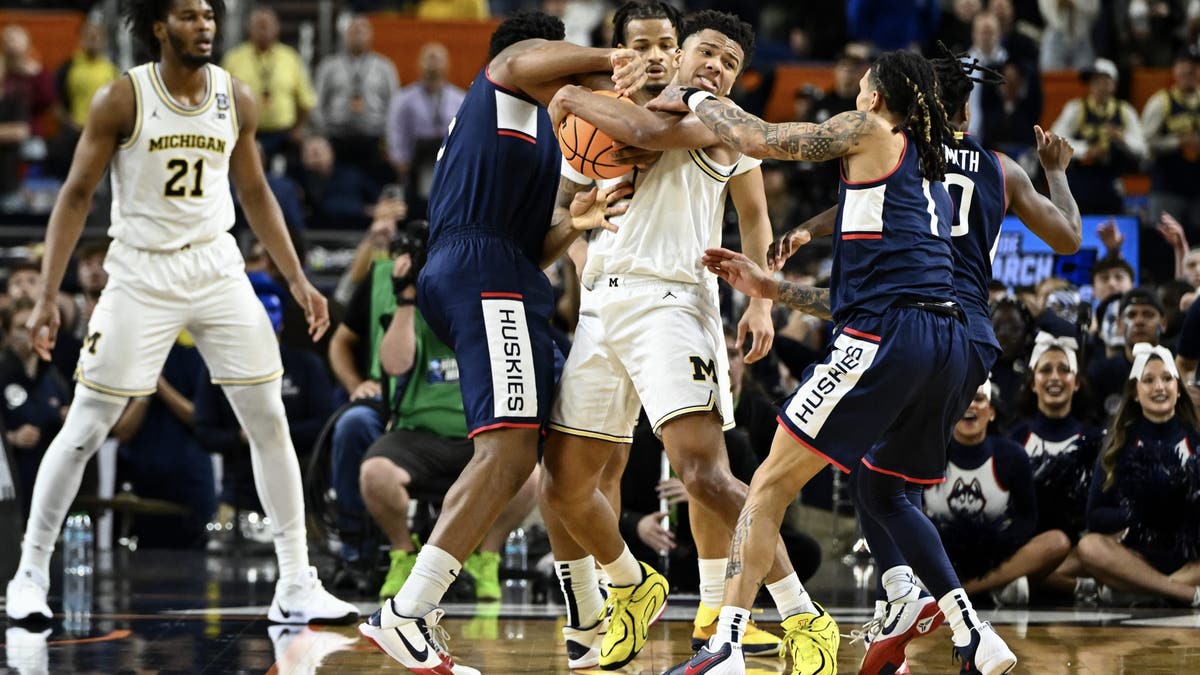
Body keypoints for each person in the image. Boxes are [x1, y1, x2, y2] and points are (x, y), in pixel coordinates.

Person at [653, 50, 1016, 675]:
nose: (855, 94)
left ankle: (727, 647)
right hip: (944, 338)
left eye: (863, 86)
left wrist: (690, 96)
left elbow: (754, 139)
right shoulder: (921, 168)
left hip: (891, 336)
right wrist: (772, 289)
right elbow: (856, 298)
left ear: (875, 97)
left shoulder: (871, 129)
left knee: (767, 486)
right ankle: (972, 633)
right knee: (883, 487)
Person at [3, 0, 356, 626]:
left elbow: (254, 193)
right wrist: (47, 297)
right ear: (160, 27)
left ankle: (297, 580)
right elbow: (76, 196)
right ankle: (29, 575)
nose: (206, 25)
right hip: (141, 270)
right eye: (190, 15)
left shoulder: (235, 98)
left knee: (268, 416)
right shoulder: (122, 98)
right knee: (86, 424)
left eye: (210, 15)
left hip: (217, 265)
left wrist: (299, 279)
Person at [759, 50, 1083, 673]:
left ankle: (909, 598)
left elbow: (864, 201)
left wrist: (807, 230)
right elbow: (1069, 236)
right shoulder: (1002, 168)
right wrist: (1056, 172)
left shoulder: (896, 149)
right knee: (877, 482)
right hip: (969, 336)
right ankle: (930, 613)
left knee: (861, 476)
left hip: (904, 319)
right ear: (968, 108)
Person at [356, 11, 646, 674]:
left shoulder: (549, 132)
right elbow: (524, 57)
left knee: (556, 454)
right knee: (509, 453)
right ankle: (406, 610)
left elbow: (535, 243)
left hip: (507, 271)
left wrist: (578, 222)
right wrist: (620, 57)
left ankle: (584, 622)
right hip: (481, 273)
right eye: (563, 66)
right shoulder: (506, 82)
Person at [540, 7, 789, 669]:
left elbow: (755, 216)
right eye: (704, 53)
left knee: (703, 469)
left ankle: (722, 608)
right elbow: (566, 213)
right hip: (605, 302)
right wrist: (578, 252)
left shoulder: (711, 120)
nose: (711, 66)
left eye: (728, 61)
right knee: (570, 478)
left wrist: (760, 305)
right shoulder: (598, 119)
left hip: (679, 297)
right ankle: (617, 595)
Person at [358, 252, 538, 602]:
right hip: (417, 435)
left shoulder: (486, 316)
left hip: (478, 438)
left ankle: (486, 557)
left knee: (530, 476)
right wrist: (407, 301)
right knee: (375, 473)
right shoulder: (417, 313)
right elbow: (394, 366)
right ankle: (403, 555)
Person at [924, 381, 1071, 605]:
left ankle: (962, 592)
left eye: (979, 399)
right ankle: (998, 587)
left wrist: (995, 548)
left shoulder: (1011, 455)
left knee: (1057, 542)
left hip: (996, 557)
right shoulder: (928, 452)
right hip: (942, 556)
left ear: (991, 412)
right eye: (961, 400)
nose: (970, 406)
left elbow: (1027, 518)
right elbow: (909, 509)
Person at [1078, 343, 1200, 608]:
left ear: (1178, 389)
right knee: (1089, 547)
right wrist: (1142, 512)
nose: (1160, 387)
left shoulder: (1196, 440)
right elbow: (1095, 515)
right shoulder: (1118, 445)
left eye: (1168, 379)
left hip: (1190, 557)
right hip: (1137, 553)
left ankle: (1143, 589)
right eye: (1149, 380)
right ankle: (1184, 593)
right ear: (1134, 391)